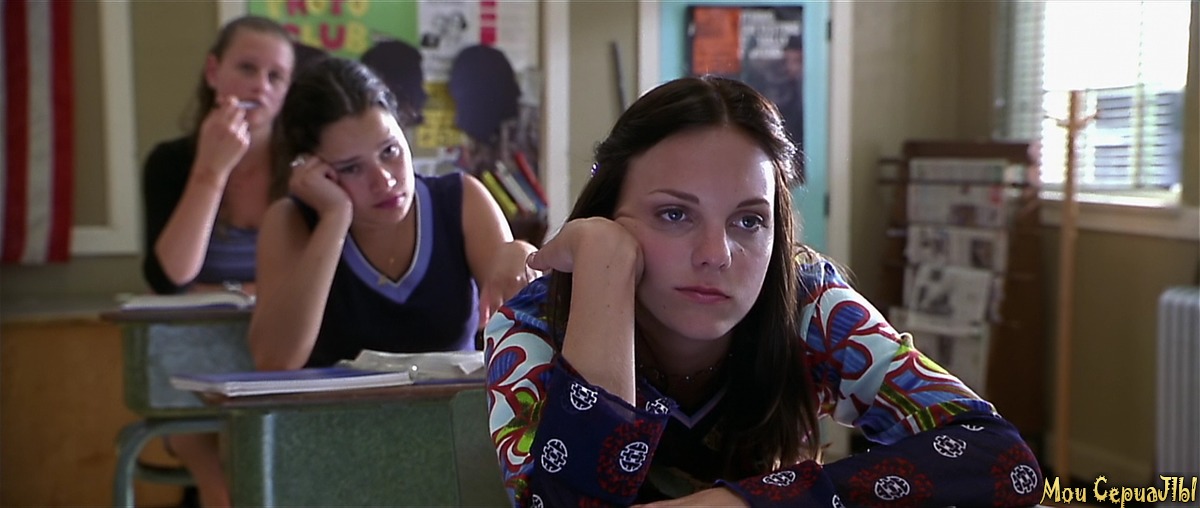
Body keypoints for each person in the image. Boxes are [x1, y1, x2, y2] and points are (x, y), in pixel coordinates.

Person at [484, 76, 1044, 507]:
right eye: (674, 214)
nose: (717, 254)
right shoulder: (532, 325)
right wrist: (603, 271)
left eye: (749, 221)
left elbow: (1003, 461)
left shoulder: (806, 301)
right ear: (607, 214)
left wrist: (742, 503)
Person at [248, 57, 537, 371]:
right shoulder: (290, 220)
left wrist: (521, 255)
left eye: (389, 151)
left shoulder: (462, 199)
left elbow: (524, 337)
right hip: (333, 406)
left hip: (451, 403)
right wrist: (334, 218)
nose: (384, 180)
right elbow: (274, 361)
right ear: (313, 171)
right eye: (352, 168)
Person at [138, 15, 294, 508]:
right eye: (247, 68)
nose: (260, 86)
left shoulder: (303, 168)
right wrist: (212, 170)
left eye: (276, 77)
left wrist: (223, 292)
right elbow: (170, 279)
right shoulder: (169, 163)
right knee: (220, 478)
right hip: (191, 362)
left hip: (277, 356)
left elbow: (311, 286)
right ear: (213, 72)